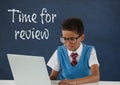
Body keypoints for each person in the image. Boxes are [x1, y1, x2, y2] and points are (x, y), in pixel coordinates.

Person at [47, 18, 100, 85]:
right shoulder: (59, 51)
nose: (68, 43)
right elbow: (53, 76)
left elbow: (95, 76)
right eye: (64, 39)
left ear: (82, 37)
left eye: (72, 39)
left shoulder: (89, 51)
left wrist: (73, 82)